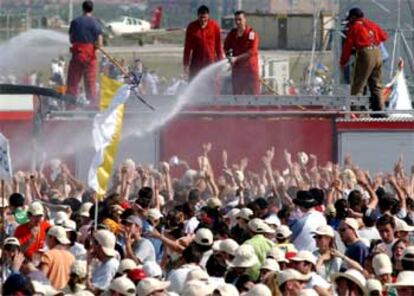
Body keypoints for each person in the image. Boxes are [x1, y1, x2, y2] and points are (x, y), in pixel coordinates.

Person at [340, 7, 388, 112]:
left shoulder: (354, 26)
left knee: (358, 84)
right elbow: (384, 37)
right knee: (376, 85)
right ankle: (379, 111)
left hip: (365, 53)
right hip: (377, 53)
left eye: (350, 19)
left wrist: (343, 62)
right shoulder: (372, 24)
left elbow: (347, 46)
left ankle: (356, 111)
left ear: (354, 17)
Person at [66, 0, 103, 108]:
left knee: (73, 82)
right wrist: (94, 46)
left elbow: (71, 39)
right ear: (92, 9)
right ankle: (92, 108)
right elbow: (100, 44)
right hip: (90, 56)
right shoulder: (96, 23)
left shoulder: (75, 22)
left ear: (82, 8)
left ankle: (70, 108)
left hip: (78, 54)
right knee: (90, 83)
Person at [224, 10, 260, 95]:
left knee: (254, 97)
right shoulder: (232, 34)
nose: (237, 22)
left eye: (240, 19)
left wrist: (236, 58)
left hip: (250, 72)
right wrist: (229, 57)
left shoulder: (252, 34)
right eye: (236, 20)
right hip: (237, 72)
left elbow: (252, 51)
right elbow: (226, 47)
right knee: (237, 97)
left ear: (245, 19)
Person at [183, 5, 223, 80]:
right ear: (198, 16)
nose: (203, 20)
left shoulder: (214, 26)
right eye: (201, 17)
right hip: (196, 63)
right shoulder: (192, 27)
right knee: (194, 83)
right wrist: (186, 64)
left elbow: (218, 47)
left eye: (205, 18)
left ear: (208, 16)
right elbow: (187, 47)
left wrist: (220, 62)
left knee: (211, 85)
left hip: (210, 62)